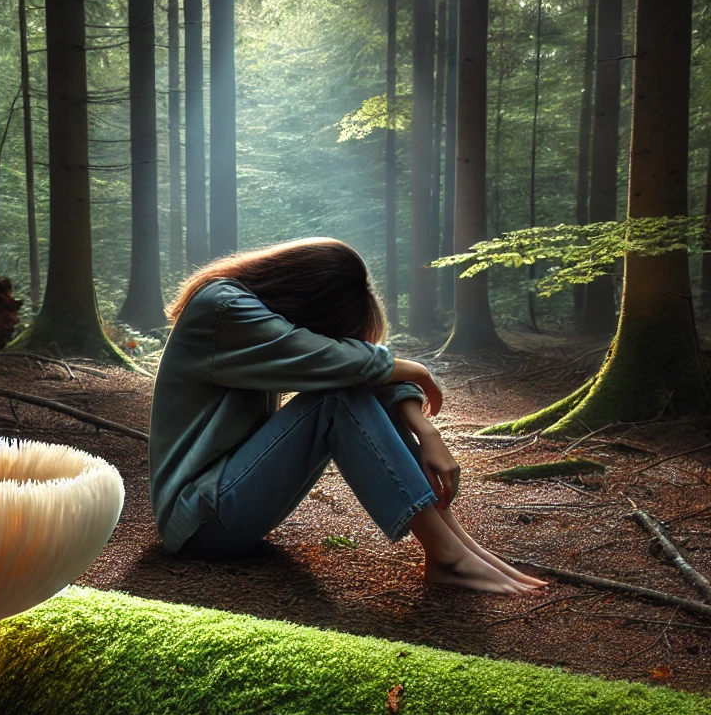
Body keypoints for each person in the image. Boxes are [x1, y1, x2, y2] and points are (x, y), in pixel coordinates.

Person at [148, 237, 545, 595]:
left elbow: (354, 363)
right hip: (200, 521)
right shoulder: (223, 308)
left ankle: (456, 542)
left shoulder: (248, 314)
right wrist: (417, 371)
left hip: (224, 503)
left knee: (343, 383)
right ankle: (447, 555)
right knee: (335, 397)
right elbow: (340, 363)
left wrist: (427, 430)